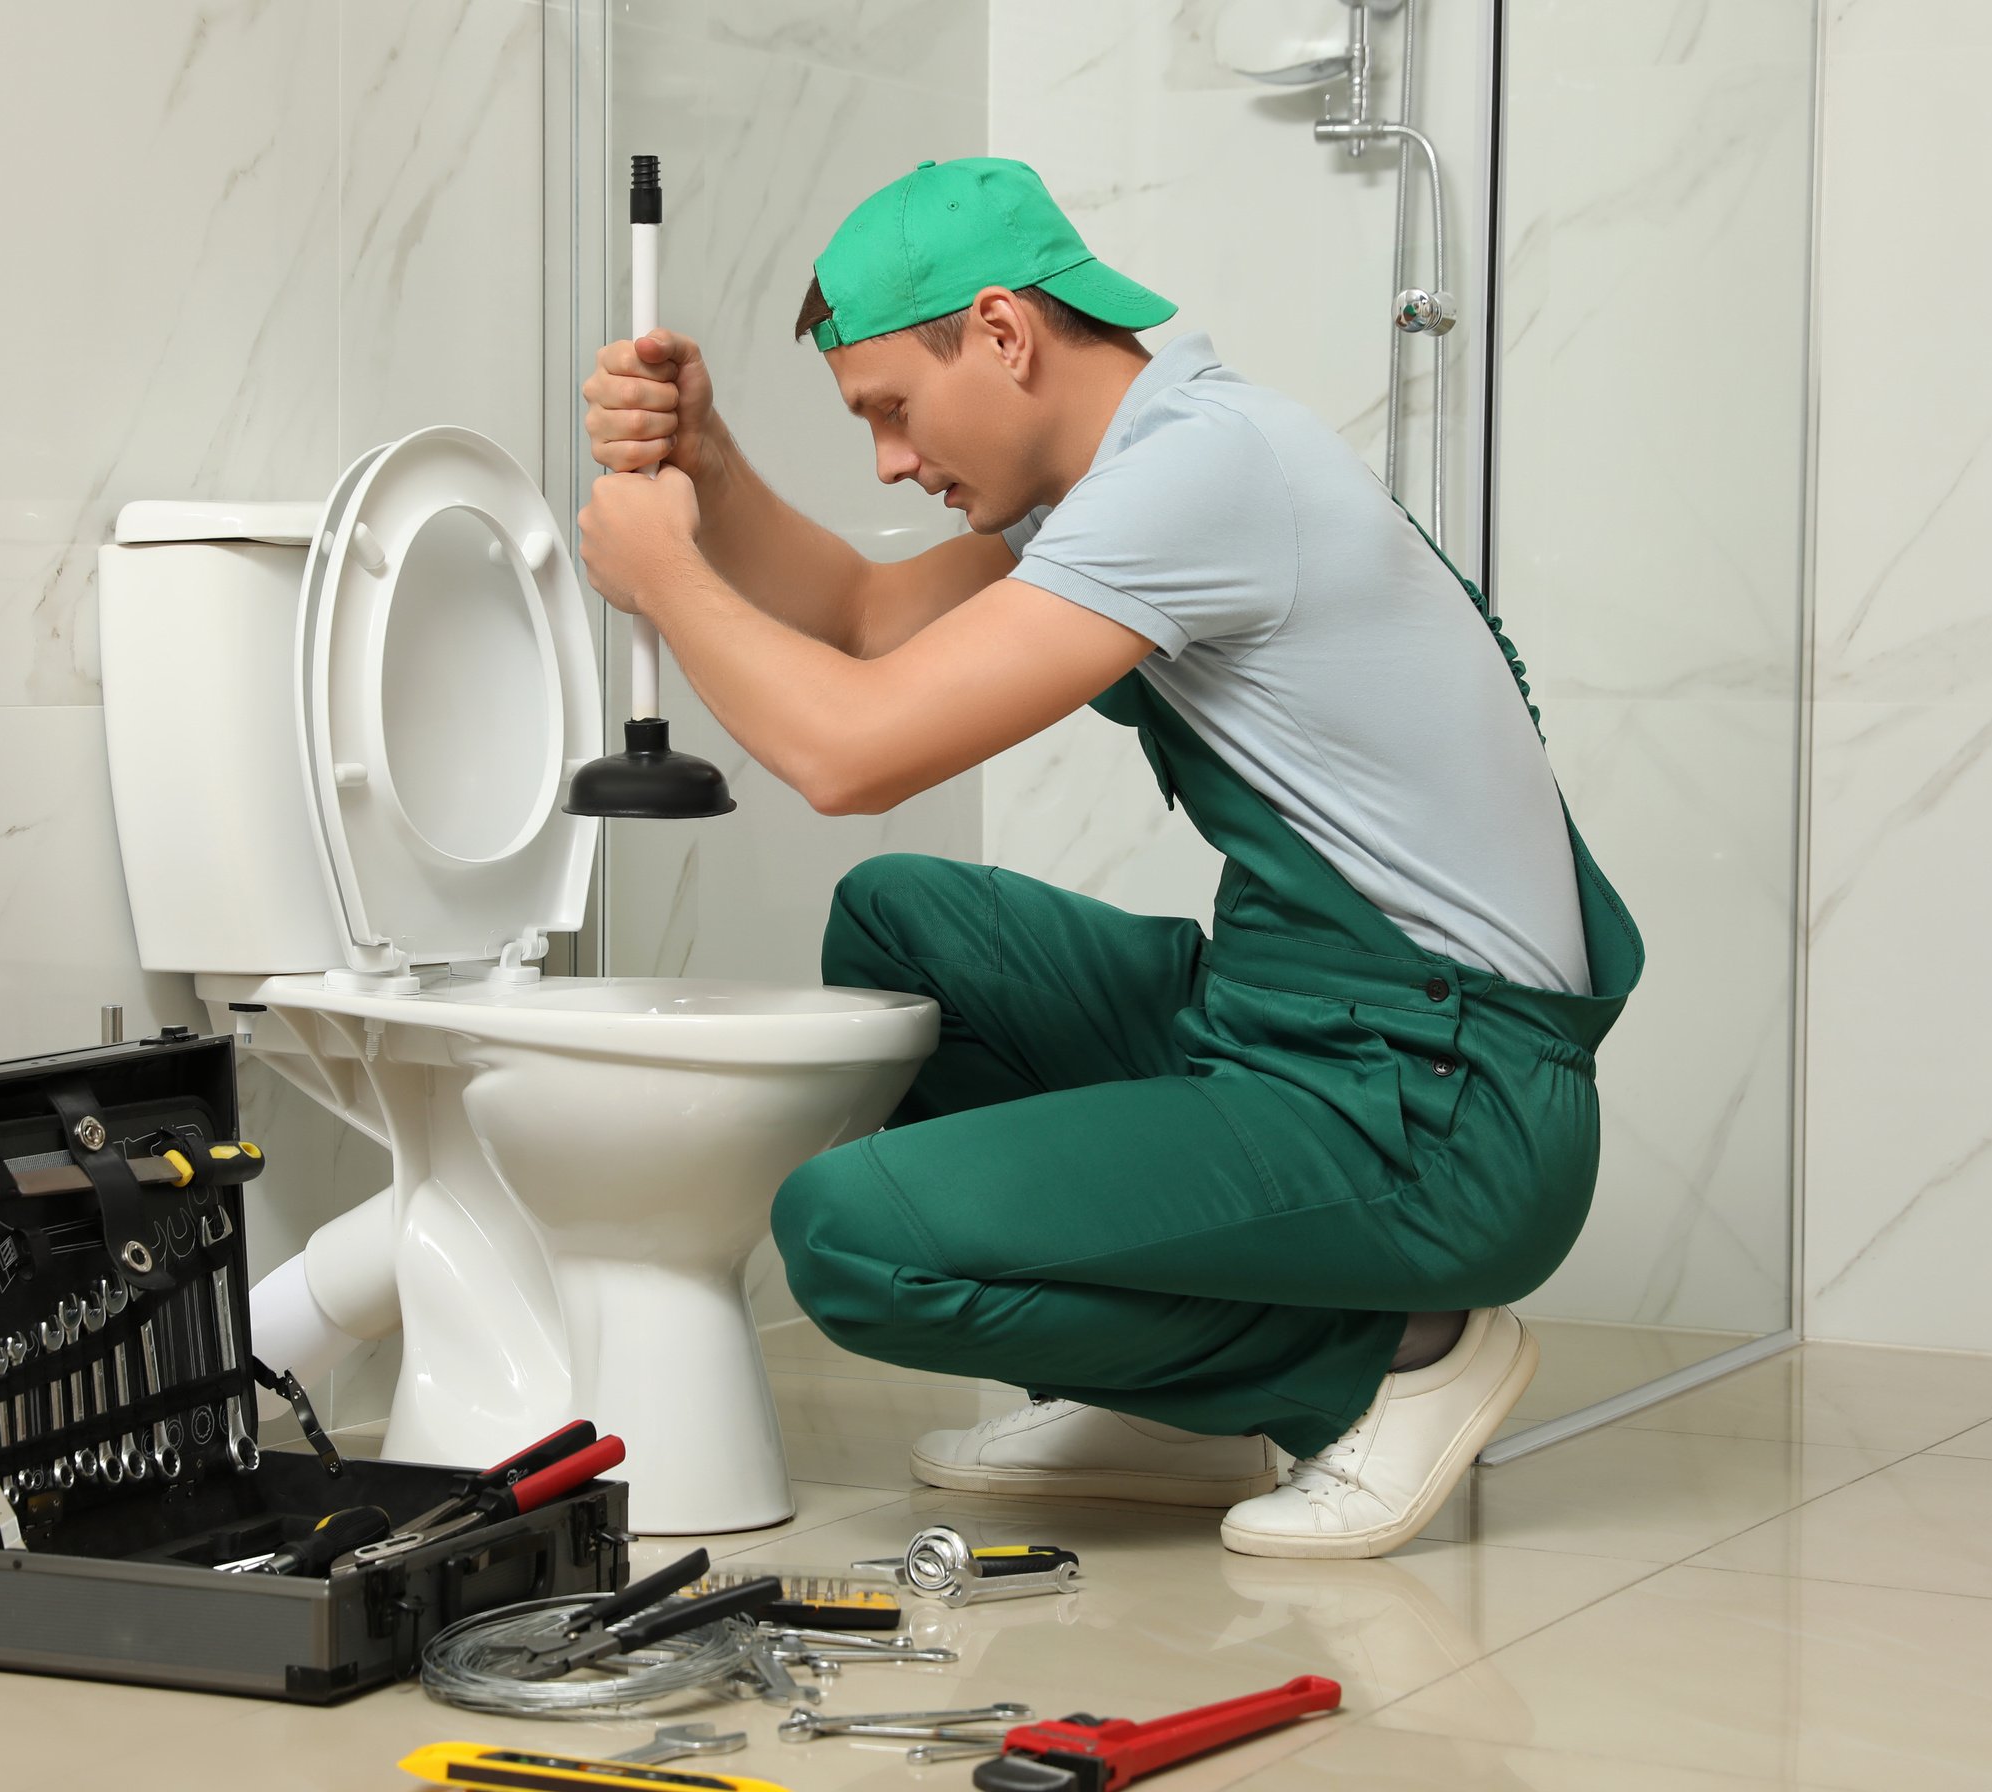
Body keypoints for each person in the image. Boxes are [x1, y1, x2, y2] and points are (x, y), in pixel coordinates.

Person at [574, 157, 1642, 1558]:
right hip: (1325, 1032)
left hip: (1442, 1110)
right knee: (906, 928)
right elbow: (866, 615)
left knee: (849, 1236)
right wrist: (706, 462)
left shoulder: (1200, 478)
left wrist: (665, 576)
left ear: (1005, 334)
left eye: (893, 410)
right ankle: (1173, 1407)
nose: (891, 461)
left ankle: (1388, 1363)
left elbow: (852, 751)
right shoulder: (1155, 463)